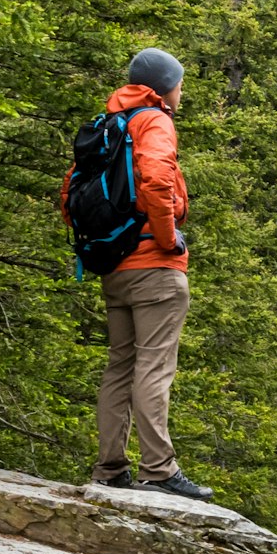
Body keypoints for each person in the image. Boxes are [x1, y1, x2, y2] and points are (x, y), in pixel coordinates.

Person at [66, 48, 215, 500]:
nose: (181, 90)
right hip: (155, 267)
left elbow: (70, 191)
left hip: (115, 267)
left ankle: (110, 468)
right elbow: (156, 180)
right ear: (165, 85)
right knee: (154, 365)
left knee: (120, 366)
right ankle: (158, 469)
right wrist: (168, 239)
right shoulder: (154, 120)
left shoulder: (109, 124)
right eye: (180, 82)